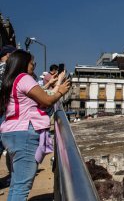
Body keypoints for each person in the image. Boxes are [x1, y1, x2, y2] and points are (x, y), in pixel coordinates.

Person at [0, 50, 71, 200]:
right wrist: (61, 91)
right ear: (24, 63)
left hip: (11, 131)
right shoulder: (24, 78)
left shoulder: (10, 80)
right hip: (24, 133)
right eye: (32, 63)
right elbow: (46, 100)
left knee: (16, 184)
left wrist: (55, 85)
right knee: (22, 188)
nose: (33, 66)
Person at [0, 45, 16, 186]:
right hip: (3, 113)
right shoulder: (6, 69)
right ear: (9, 55)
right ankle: (13, 177)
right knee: (8, 148)